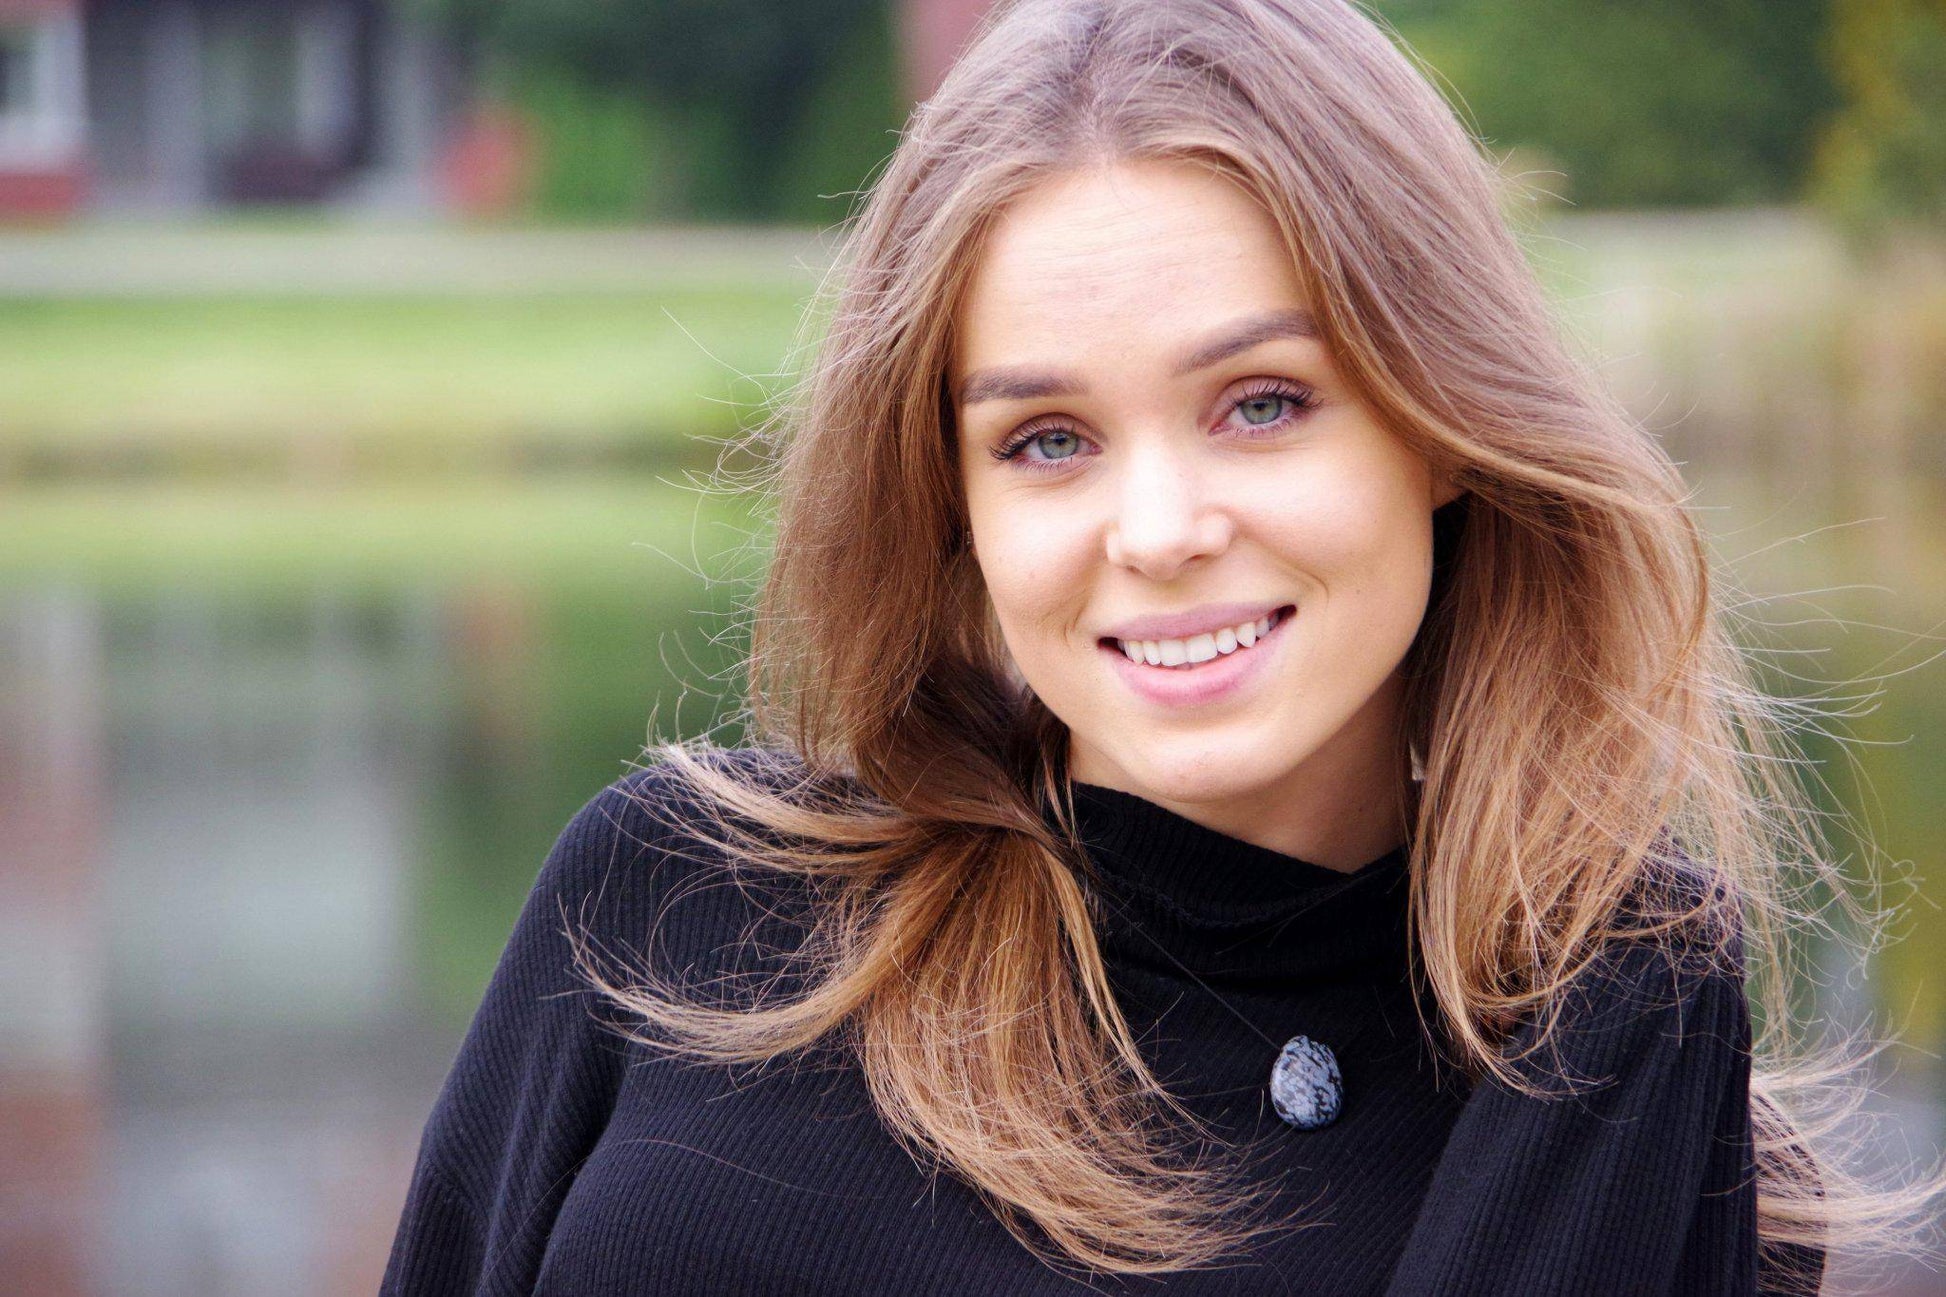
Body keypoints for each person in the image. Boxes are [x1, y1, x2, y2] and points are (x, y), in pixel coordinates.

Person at [381, 1, 1943, 1292]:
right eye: (1046, 439)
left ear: (1441, 423)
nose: (1157, 528)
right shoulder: (673, 907)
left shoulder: (1615, 1061)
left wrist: (1627, 981)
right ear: (954, 505)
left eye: (1261, 403)